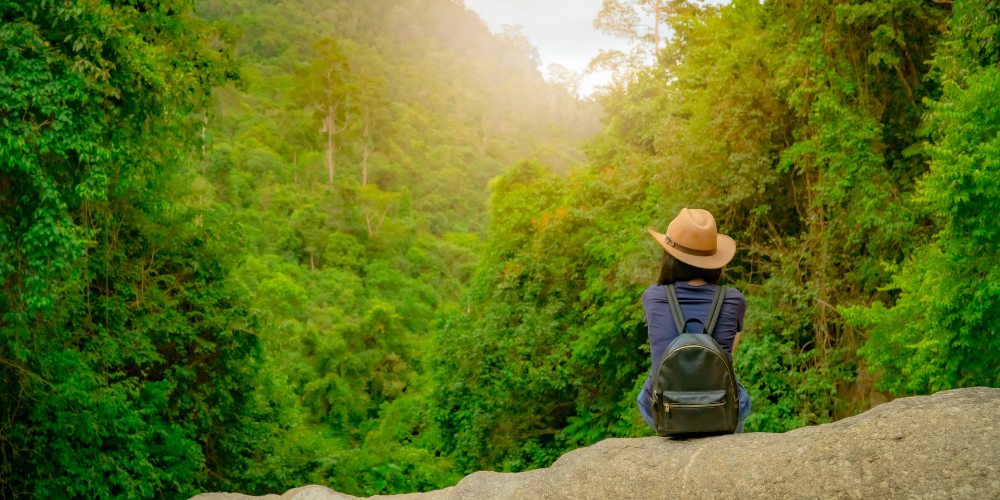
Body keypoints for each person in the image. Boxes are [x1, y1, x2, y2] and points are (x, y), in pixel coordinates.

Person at [637, 208, 752, 433]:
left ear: (669, 258)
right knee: (736, 384)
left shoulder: (652, 297)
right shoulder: (734, 299)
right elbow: (728, 348)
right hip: (719, 407)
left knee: (648, 389)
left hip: (665, 408)